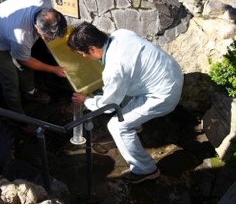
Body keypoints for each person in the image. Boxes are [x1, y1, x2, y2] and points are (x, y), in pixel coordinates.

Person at [68, 23, 184, 184]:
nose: (84, 57)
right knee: (123, 95)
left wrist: (86, 100)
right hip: (172, 73)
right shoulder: (121, 34)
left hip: (163, 94)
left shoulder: (114, 69)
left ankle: (145, 169)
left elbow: (108, 106)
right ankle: (136, 124)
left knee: (117, 126)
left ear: (92, 49)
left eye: (83, 54)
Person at [0, 0, 67, 114]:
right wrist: (54, 69)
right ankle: (18, 117)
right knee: (10, 80)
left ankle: (30, 92)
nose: (49, 40)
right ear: (36, 28)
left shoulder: (45, 2)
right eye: (47, 38)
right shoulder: (22, 36)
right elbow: (25, 60)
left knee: (23, 66)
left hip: (4, 27)